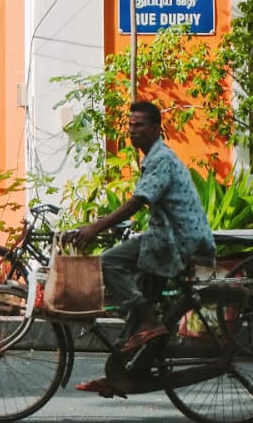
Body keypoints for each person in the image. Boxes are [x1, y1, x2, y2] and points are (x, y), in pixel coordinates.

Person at [72, 101, 215, 398]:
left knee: (109, 262)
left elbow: (139, 201)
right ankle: (121, 372)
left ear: (155, 128)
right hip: (166, 236)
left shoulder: (161, 158)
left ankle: (147, 323)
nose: (132, 131)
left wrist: (96, 227)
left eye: (139, 125)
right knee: (142, 304)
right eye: (130, 125)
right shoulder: (152, 157)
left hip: (175, 239)